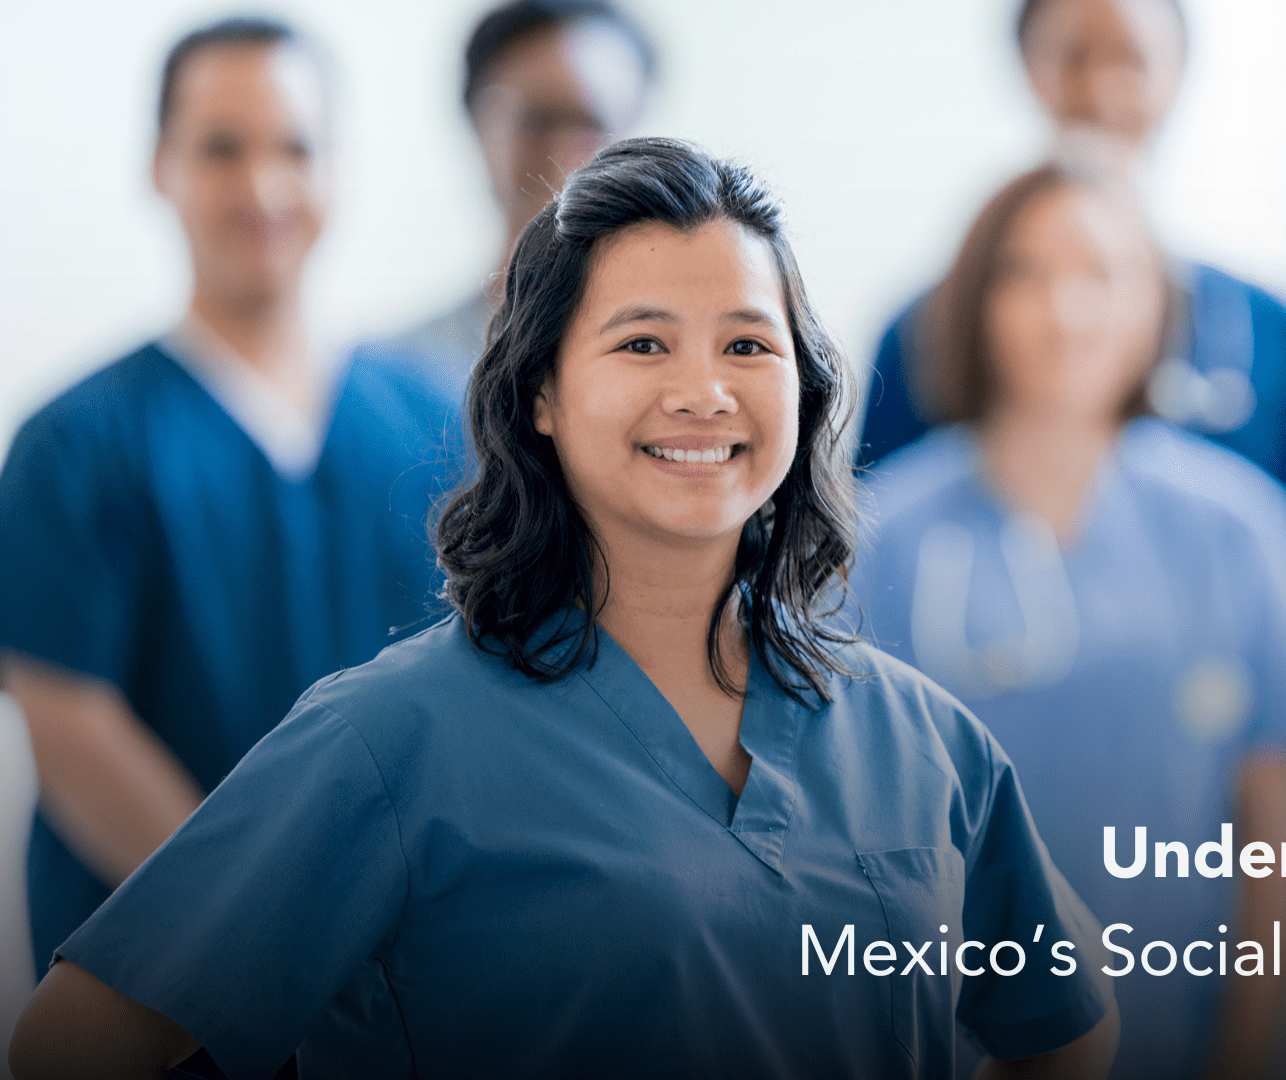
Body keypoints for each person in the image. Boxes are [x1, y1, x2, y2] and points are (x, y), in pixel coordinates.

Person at [8, 138, 1119, 1080]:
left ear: (803, 387)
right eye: (643, 343)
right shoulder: (397, 739)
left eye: (748, 343)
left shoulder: (920, 739)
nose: (703, 390)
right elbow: (71, 1045)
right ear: (539, 391)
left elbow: (1071, 1025)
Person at [0, 15, 458, 989]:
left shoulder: (440, 424)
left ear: (338, 167)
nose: (262, 187)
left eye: (295, 147)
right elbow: (69, 727)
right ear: (160, 165)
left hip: (400, 979)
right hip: (156, 987)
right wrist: (268, 939)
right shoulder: (74, 445)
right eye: (220, 147)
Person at [853, 164, 1286, 1080]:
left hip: (1179, 1034)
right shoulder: (880, 535)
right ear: (971, 300)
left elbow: (1274, 834)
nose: (1064, 308)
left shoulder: (1239, 525)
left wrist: (1251, 1052)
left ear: (1157, 306)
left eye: (1103, 273)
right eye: (1023, 272)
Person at [859, 0, 1286, 559]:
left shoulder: (1274, 333)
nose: (1101, 91)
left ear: (1177, 72)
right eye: (1074, 57)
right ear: (1028, 68)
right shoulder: (926, 330)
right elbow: (860, 564)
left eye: (1132, 59)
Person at [382, 0, 657, 391]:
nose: (564, 157)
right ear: (478, 126)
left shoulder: (687, 362)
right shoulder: (400, 376)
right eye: (537, 121)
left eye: (591, 125)